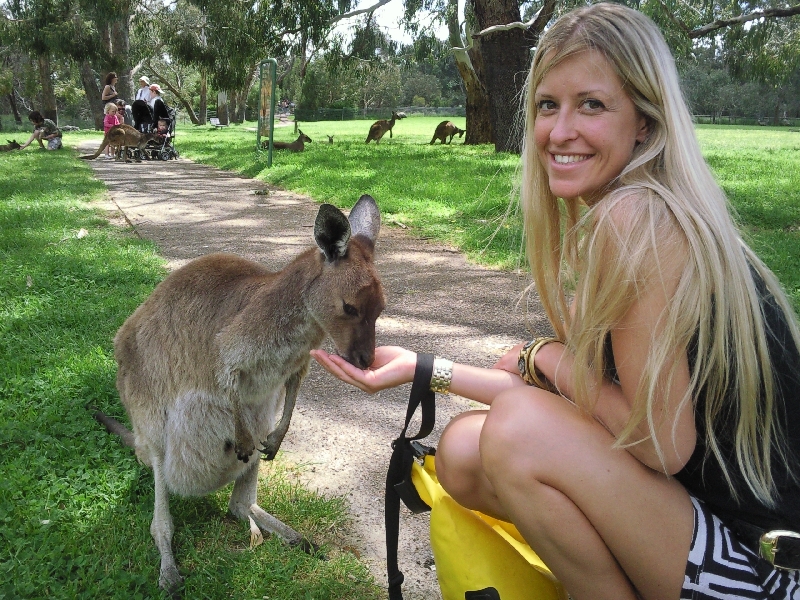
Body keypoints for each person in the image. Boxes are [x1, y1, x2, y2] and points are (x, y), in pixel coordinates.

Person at [310, 4, 800, 599]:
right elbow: (599, 410)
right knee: (465, 450)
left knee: (515, 432)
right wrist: (425, 369)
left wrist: (546, 356)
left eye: (591, 104)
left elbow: (657, 443)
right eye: (548, 105)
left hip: (763, 571)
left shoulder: (636, 218)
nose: (559, 131)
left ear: (644, 121)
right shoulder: (642, 209)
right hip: (703, 523)